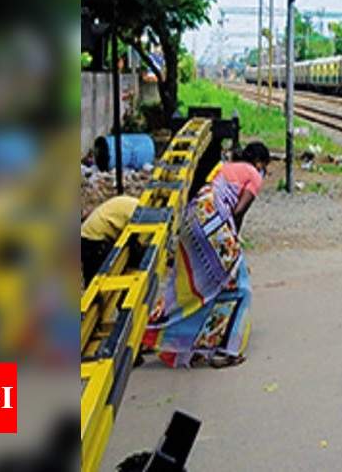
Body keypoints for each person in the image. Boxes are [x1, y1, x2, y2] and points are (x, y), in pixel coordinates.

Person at [143, 141, 271, 367]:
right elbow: (237, 211)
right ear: (260, 163)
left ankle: (152, 332)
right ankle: (228, 351)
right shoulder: (254, 175)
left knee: (196, 286)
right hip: (213, 221)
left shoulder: (226, 167)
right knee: (240, 287)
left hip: (193, 216)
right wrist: (235, 249)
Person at [81, 195, 140, 286]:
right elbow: (140, 243)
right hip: (94, 239)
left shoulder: (135, 204)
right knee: (99, 280)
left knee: (92, 277)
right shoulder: (138, 214)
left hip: (88, 235)